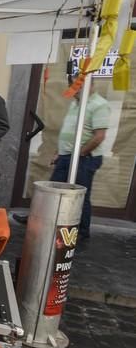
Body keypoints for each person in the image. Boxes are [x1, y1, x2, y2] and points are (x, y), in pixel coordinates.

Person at [50, 78, 109, 239]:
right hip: (66, 155)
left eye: (78, 86)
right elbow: (68, 130)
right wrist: (58, 151)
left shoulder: (99, 104)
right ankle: (47, 221)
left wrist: (80, 153)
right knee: (54, 190)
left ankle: (82, 232)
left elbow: (99, 136)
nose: (74, 89)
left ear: (89, 85)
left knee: (80, 195)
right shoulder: (76, 102)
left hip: (85, 158)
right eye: (72, 86)